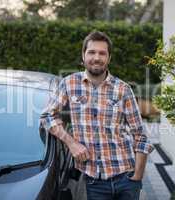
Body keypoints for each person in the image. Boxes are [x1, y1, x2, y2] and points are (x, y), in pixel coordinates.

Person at [41, 31, 154, 200]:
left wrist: (137, 176)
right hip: (94, 182)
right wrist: (71, 143)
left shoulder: (123, 90)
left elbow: (140, 135)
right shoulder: (69, 84)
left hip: (126, 177)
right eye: (92, 52)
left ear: (109, 58)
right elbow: (48, 116)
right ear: (83, 55)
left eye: (102, 53)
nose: (97, 57)